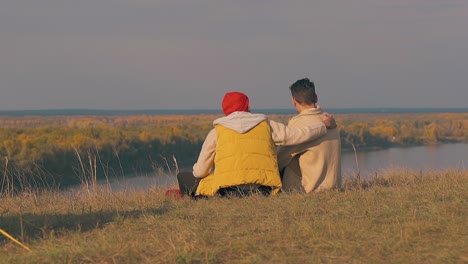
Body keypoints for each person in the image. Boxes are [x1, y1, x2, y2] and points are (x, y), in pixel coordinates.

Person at [176, 91, 336, 198]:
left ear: (225, 110)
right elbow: (297, 135)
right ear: (247, 106)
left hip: (227, 190)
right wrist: (322, 126)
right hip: (264, 189)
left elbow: (200, 171)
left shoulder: (216, 132)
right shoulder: (266, 125)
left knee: (184, 177)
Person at [277, 78, 341, 193]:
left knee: (288, 159)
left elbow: (280, 158)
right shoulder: (330, 120)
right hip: (334, 187)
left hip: (312, 190)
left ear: (294, 100)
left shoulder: (299, 123)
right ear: (316, 98)